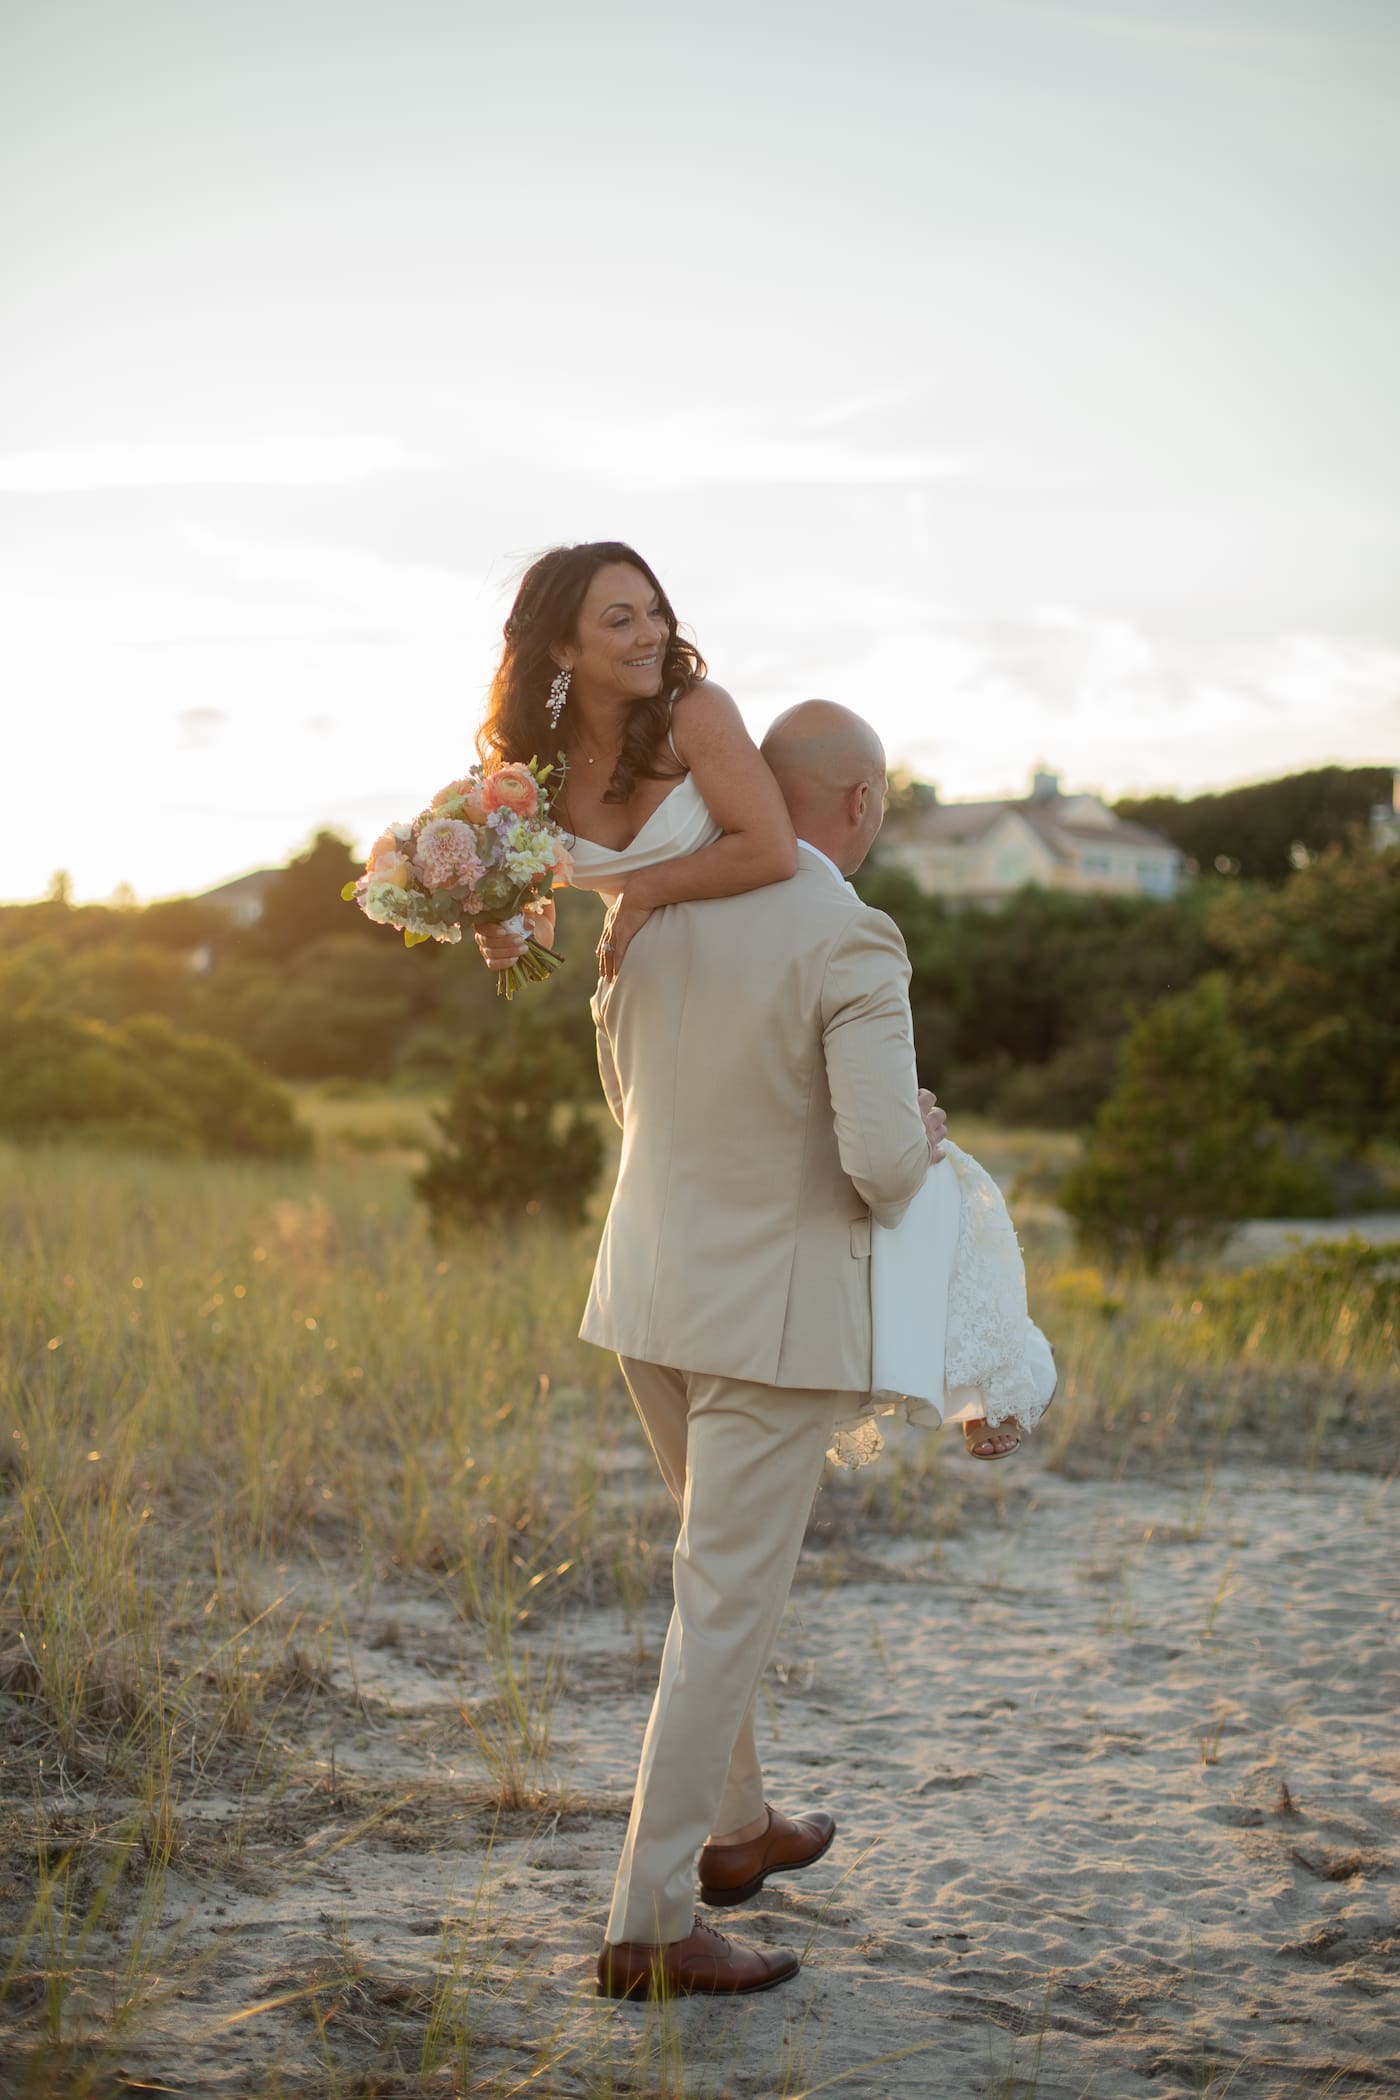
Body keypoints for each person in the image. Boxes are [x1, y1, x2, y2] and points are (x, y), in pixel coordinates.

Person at [474, 542, 1043, 1462]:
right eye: (620, 619)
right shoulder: (528, 772)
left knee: (906, 1161)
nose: (653, 632)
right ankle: (971, 1374)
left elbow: (770, 849)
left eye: (655, 610)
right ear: (562, 650)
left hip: (711, 939)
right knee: (888, 1154)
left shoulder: (692, 713)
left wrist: (639, 894)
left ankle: (980, 1374)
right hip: (642, 984)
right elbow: (535, 910)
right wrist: (504, 931)